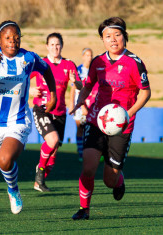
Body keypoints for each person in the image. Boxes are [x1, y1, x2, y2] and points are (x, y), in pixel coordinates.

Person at [0, 20, 57, 222]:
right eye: (8, 38)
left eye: (16, 38)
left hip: (18, 121)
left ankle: (13, 190)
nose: (13, 42)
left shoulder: (28, 58)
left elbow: (47, 69)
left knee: (4, 159)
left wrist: (53, 95)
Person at [70, 17, 151, 220]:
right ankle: (84, 209)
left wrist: (127, 114)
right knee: (88, 167)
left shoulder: (135, 63)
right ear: (102, 39)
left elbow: (145, 93)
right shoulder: (98, 62)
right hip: (97, 121)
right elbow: (88, 85)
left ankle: (119, 181)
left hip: (122, 126)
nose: (113, 39)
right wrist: (80, 100)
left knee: (109, 179)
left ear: (124, 37)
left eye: (117, 35)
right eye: (108, 36)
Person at [30, 33, 79, 192]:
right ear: (47, 46)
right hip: (42, 109)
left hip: (60, 112)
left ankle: (39, 181)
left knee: (53, 154)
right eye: (52, 44)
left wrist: (75, 82)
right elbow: (23, 80)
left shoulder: (69, 64)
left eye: (57, 44)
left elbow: (80, 86)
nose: (55, 48)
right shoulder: (40, 63)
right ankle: (39, 173)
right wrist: (31, 90)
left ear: (62, 46)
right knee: (52, 140)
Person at [70, 48, 93, 162]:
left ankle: (91, 152)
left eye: (91, 55)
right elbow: (73, 88)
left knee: (92, 128)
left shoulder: (94, 70)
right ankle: (80, 152)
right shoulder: (78, 70)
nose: (89, 58)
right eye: (87, 55)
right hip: (79, 102)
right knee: (80, 128)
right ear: (83, 56)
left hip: (92, 102)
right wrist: (71, 104)